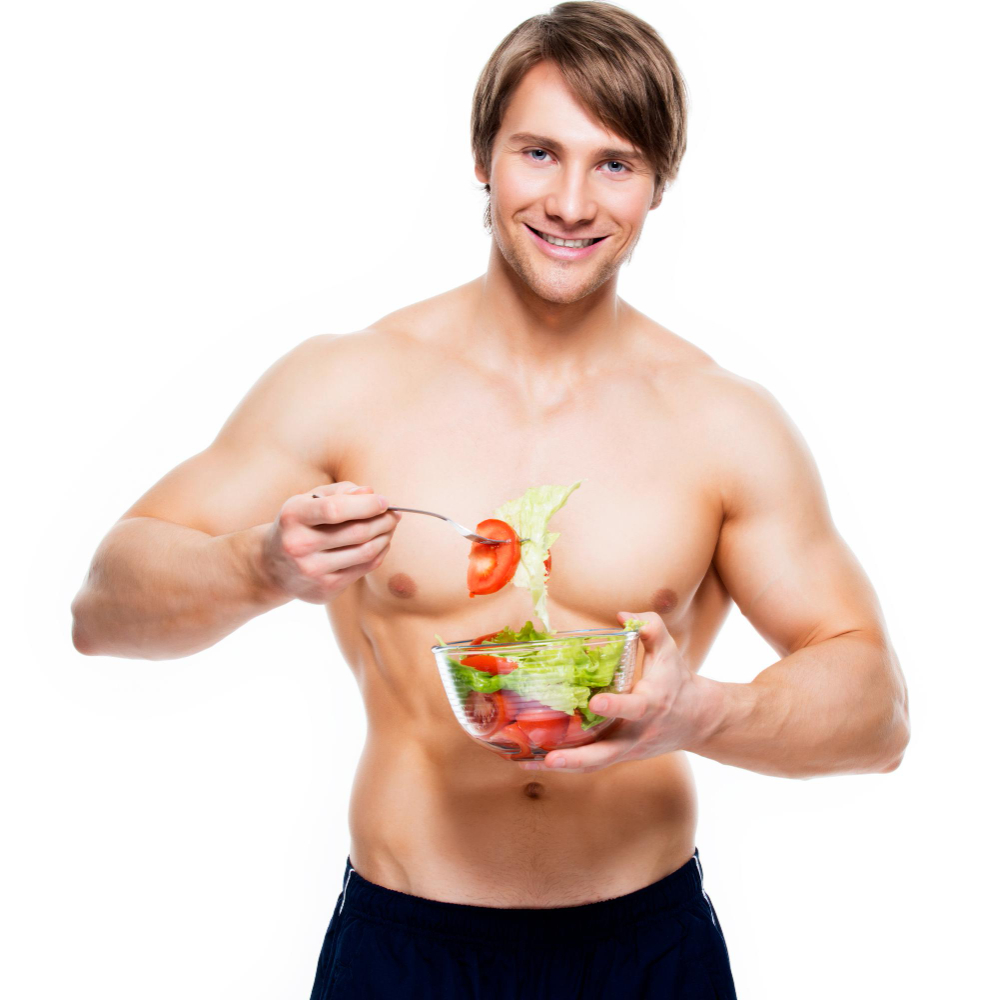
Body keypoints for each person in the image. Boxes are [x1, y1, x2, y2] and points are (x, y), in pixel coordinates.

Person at [71, 3, 910, 997]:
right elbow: (101, 611)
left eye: (615, 162)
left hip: (645, 951)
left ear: (656, 185)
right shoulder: (350, 383)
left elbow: (876, 712)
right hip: (403, 948)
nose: (569, 201)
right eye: (538, 152)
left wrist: (696, 713)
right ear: (483, 157)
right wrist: (257, 564)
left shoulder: (720, 422)